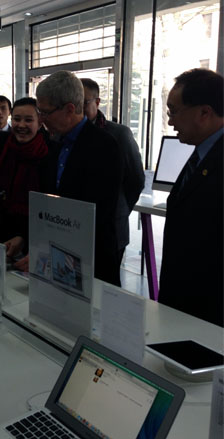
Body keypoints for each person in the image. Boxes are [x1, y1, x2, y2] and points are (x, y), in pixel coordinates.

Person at [36, 70, 123, 286]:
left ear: (69, 109)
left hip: (92, 259)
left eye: (45, 113)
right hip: (58, 254)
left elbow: (97, 212)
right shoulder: (54, 143)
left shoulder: (104, 146)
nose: (41, 119)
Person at [159, 68, 223, 326]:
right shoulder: (201, 152)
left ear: (204, 112)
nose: (171, 121)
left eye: (174, 112)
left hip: (209, 311)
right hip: (183, 301)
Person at [81, 78, 144, 264]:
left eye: (84, 103)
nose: (78, 108)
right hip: (77, 225)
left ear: (97, 102)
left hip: (111, 229)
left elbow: (136, 180)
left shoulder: (119, 134)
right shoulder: (65, 134)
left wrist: (119, 210)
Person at [0, 97, 52, 258]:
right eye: (17, 119)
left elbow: (49, 206)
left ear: (40, 122)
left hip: (35, 239)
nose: (21, 125)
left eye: (28, 120)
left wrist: (24, 237)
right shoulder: (0, 145)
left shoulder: (50, 152)